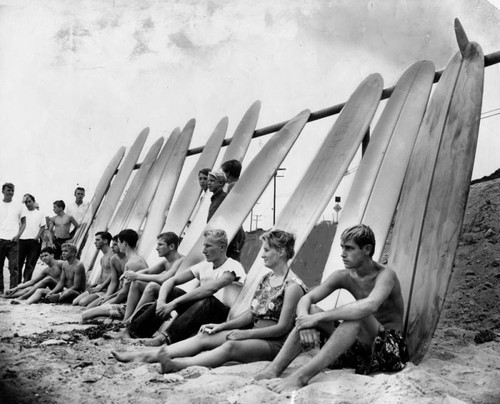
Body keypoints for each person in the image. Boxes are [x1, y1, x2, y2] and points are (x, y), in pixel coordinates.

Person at [112, 230, 307, 374]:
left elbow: (281, 328)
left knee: (230, 347)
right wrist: (222, 326)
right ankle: (147, 355)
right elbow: (252, 313)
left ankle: (179, 365)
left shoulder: (293, 286)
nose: (262, 254)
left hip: (274, 343)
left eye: (266, 250)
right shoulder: (267, 279)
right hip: (253, 332)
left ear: (281, 252)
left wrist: (243, 333)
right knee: (204, 337)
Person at [254, 224, 409, 393]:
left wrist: (319, 318)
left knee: (358, 315)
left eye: (349, 248)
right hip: (358, 350)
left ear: (367, 249)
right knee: (311, 310)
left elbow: (370, 305)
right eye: (342, 247)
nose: (343, 254)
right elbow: (307, 298)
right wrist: (306, 321)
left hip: (389, 349)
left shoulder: (386, 275)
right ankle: (274, 369)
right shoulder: (343, 276)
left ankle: (300, 377)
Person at [126, 229, 246, 346]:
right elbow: (171, 280)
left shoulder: (233, 266)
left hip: (222, 317)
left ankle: (163, 339)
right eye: (204, 246)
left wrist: (174, 303)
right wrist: (161, 302)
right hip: (201, 310)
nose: (204, 251)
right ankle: (135, 331)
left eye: (208, 246)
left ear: (222, 247)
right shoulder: (205, 265)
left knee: (207, 300)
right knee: (173, 292)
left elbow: (211, 289)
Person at [81, 229, 147, 322]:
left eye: (118, 242)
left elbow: (124, 293)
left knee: (86, 315)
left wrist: (109, 301)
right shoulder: (137, 259)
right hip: (130, 302)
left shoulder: (132, 263)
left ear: (124, 243)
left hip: (129, 306)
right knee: (94, 312)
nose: (116, 245)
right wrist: (108, 297)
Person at [120, 232, 184, 323]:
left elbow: (164, 278)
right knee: (136, 282)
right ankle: (125, 319)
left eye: (160, 245)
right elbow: (148, 271)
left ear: (171, 246)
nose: (157, 248)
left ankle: (132, 320)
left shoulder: (180, 260)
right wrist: (130, 274)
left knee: (152, 286)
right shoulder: (166, 261)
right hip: (165, 293)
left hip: (178, 297)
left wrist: (136, 275)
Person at [206, 170, 245, 262]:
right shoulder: (215, 199)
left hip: (227, 242)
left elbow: (233, 220)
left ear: (220, 183)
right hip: (218, 241)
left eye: (211, 181)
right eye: (208, 181)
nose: (208, 183)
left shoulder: (224, 198)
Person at [72, 231, 115, 307]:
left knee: (82, 303)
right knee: (75, 302)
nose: (95, 242)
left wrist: (101, 287)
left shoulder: (112, 255)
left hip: (106, 288)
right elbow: (103, 275)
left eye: (98, 240)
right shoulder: (103, 257)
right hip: (99, 286)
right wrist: (94, 285)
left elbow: (113, 275)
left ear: (105, 241)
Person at [0, 182, 24, 292]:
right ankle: (0, 290)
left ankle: (12, 290)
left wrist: (18, 235)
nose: (10, 192)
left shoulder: (18, 206)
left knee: (14, 267)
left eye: (12, 190)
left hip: (13, 240)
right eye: (8, 190)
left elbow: (24, 223)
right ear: (3, 191)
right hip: (0, 240)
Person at [18, 194, 46, 283]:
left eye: (29, 201)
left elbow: (43, 226)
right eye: (26, 202)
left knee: (30, 264)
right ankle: (17, 284)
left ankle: (26, 283)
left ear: (34, 201)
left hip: (34, 241)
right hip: (22, 240)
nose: (28, 204)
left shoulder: (40, 213)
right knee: (18, 263)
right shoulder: (22, 213)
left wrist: (36, 237)